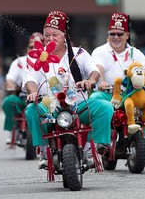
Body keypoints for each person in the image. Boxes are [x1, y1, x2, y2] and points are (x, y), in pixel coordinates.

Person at [23, 11, 114, 169]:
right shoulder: (35, 56)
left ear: (64, 36)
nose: (50, 39)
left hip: (78, 104)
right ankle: (44, 151)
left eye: (55, 35)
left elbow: (94, 72)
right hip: (49, 105)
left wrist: (90, 81)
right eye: (47, 35)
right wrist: (32, 91)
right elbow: (29, 78)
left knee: (105, 107)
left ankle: (91, 150)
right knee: (31, 110)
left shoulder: (79, 53)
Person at [90, 12, 145, 144]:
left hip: (132, 95)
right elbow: (97, 68)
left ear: (127, 35)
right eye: (112, 34)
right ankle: (99, 143)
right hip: (108, 94)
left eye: (120, 34)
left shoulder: (135, 53)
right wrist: (102, 81)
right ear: (108, 34)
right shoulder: (100, 51)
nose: (116, 37)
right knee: (94, 99)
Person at [2, 32, 44, 143]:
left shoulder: (49, 61)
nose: (34, 49)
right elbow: (10, 79)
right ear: (27, 49)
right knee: (9, 101)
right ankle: (14, 129)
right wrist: (11, 85)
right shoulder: (19, 62)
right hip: (23, 99)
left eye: (38, 46)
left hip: (44, 101)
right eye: (31, 47)